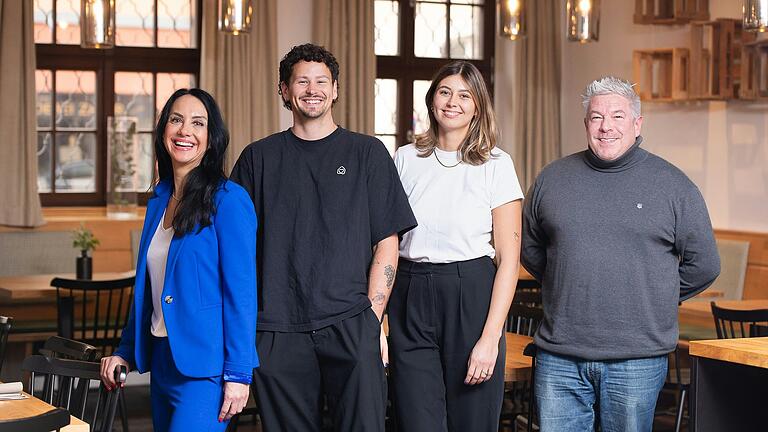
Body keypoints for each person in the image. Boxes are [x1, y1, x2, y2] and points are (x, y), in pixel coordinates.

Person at [230, 43, 417, 432]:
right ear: (284, 90)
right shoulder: (257, 159)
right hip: (277, 328)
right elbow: (236, 249)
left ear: (334, 90)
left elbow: (387, 241)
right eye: (301, 81)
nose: (312, 89)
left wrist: (371, 317)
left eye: (321, 81)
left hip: (351, 322)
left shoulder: (368, 153)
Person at [522, 76, 721, 431]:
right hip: (559, 356)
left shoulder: (673, 186)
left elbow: (705, 263)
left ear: (637, 123)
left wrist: (653, 295)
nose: (606, 127)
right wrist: (565, 279)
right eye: (596, 117)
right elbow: (528, 245)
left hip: (636, 359)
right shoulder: (552, 179)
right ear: (585, 124)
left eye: (617, 116)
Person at [100, 88, 258, 432]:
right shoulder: (157, 201)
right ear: (163, 132)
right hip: (163, 362)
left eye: (197, 123)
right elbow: (147, 289)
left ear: (211, 139)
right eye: (176, 120)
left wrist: (239, 374)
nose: (185, 130)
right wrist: (125, 349)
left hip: (207, 371)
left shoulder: (229, 201)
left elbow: (241, 294)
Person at [390, 60, 524, 432]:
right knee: (415, 420)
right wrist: (380, 322)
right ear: (432, 100)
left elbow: (509, 261)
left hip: (471, 294)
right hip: (410, 292)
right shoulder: (405, 158)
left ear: (478, 106)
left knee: (472, 421)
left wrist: (490, 339)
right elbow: (386, 243)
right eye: (445, 92)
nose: (453, 102)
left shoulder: (497, 164)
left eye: (465, 95)